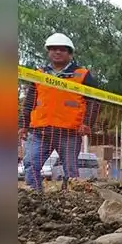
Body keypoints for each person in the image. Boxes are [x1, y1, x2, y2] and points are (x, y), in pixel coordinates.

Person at [18, 33, 100, 191]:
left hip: (69, 133)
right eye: (53, 49)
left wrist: (87, 123)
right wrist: (23, 125)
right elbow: (29, 102)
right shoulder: (39, 74)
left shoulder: (82, 75)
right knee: (30, 164)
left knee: (70, 171)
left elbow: (94, 101)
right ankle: (35, 196)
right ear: (48, 52)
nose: (57, 52)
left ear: (70, 54)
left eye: (62, 49)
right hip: (39, 131)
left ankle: (69, 198)